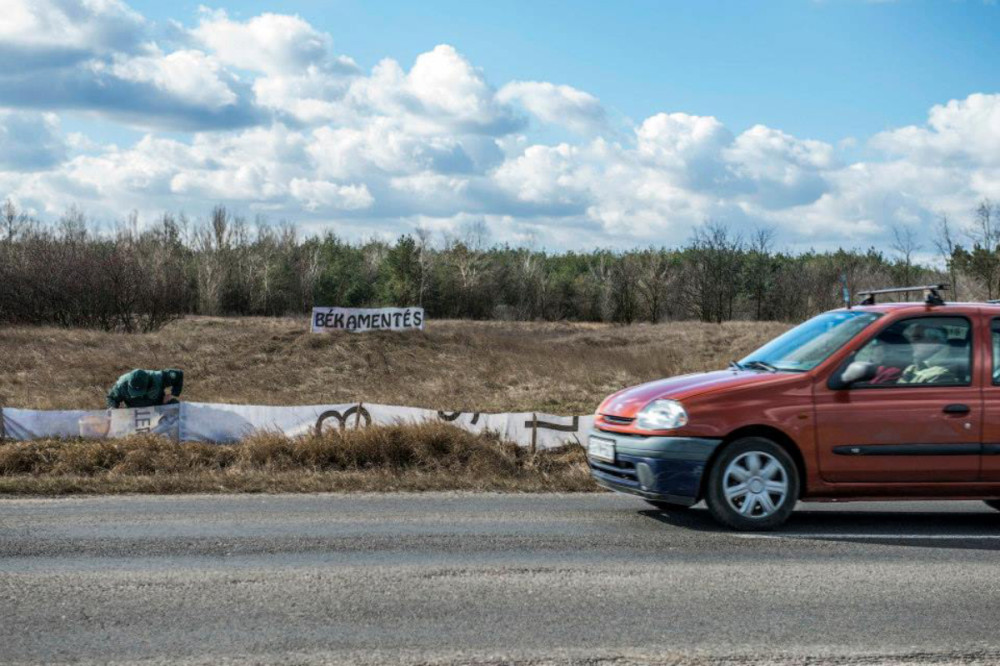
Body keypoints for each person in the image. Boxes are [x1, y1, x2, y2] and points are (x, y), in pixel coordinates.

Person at [107, 368, 184, 409]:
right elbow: (112, 398)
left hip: (159, 408)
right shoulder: (121, 385)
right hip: (135, 414)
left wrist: (173, 394)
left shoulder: (158, 378)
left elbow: (179, 375)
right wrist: (112, 407)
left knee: (174, 405)